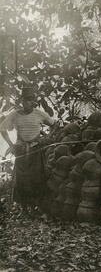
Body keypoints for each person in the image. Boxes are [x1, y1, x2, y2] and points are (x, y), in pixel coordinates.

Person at [0, 87, 59, 216]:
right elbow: (2, 128)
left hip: (36, 148)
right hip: (21, 149)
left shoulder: (39, 113)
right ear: (21, 101)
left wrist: (48, 137)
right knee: (21, 179)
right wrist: (11, 144)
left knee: (35, 178)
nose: (26, 103)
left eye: (29, 100)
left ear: (33, 102)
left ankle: (34, 208)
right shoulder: (14, 114)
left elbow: (55, 124)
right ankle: (24, 209)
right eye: (24, 101)